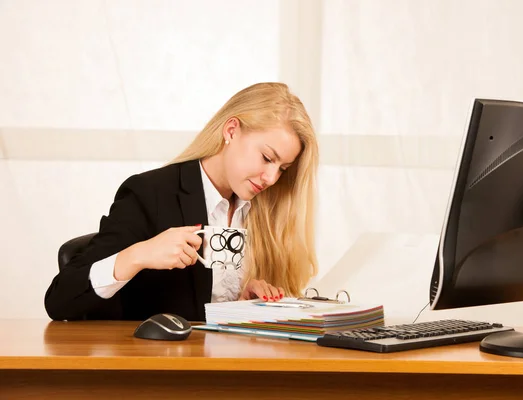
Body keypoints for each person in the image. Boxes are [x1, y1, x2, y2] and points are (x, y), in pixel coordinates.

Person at [44, 82, 319, 321]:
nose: (271, 177)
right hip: (162, 372)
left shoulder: (266, 209)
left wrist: (245, 306)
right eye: (267, 158)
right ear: (232, 131)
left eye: (283, 168)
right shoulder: (150, 193)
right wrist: (139, 255)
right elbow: (60, 299)